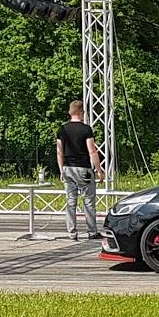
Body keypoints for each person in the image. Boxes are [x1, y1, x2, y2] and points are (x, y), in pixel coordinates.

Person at [56, 100, 105, 240]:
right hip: (84, 169)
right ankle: (92, 231)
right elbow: (92, 151)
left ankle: (72, 233)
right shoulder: (86, 129)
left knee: (71, 202)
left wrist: (61, 170)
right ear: (81, 112)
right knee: (88, 202)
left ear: (70, 112)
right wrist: (99, 170)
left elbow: (59, 152)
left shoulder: (62, 129)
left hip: (68, 169)